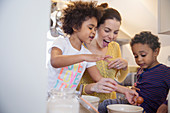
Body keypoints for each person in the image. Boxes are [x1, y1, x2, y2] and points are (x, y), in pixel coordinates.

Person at [47, 1, 117, 95]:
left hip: (68, 99)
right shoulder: (62, 42)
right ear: (75, 27)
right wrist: (83, 57)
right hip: (49, 97)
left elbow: (100, 79)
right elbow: (55, 61)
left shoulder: (86, 54)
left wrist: (125, 91)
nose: (93, 32)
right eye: (90, 28)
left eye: (95, 29)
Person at [98, 31, 170, 113]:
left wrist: (166, 104)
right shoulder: (141, 69)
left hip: (149, 110)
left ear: (156, 52)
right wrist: (132, 89)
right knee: (106, 104)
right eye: (135, 56)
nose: (139, 59)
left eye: (143, 55)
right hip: (134, 107)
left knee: (106, 104)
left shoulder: (165, 72)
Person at [77, 4, 129, 102]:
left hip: (110, 106)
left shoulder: (115, 47)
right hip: (87, 106)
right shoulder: (81, 48)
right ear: (96, 28)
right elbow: (73, 87)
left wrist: (125, 67)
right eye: (107, 30)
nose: (111, 36)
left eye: (116, 32)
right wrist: (92, 87)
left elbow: (118, 78)